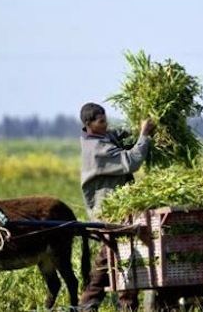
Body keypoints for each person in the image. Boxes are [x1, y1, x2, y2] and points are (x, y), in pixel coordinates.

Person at [78, 102, 155, 312]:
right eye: (101, 122)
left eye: (105, 120)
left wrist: (137, 128)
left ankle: (88, 304)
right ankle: (126, 305)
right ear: (88, 124)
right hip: (108, 211)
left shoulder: (100, 137)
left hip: (115, 208)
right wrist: (145, 135)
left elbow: (120, 135)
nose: (105, 125)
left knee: (107, 256)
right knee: (123, 254)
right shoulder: (97, 150)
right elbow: (131, 161)